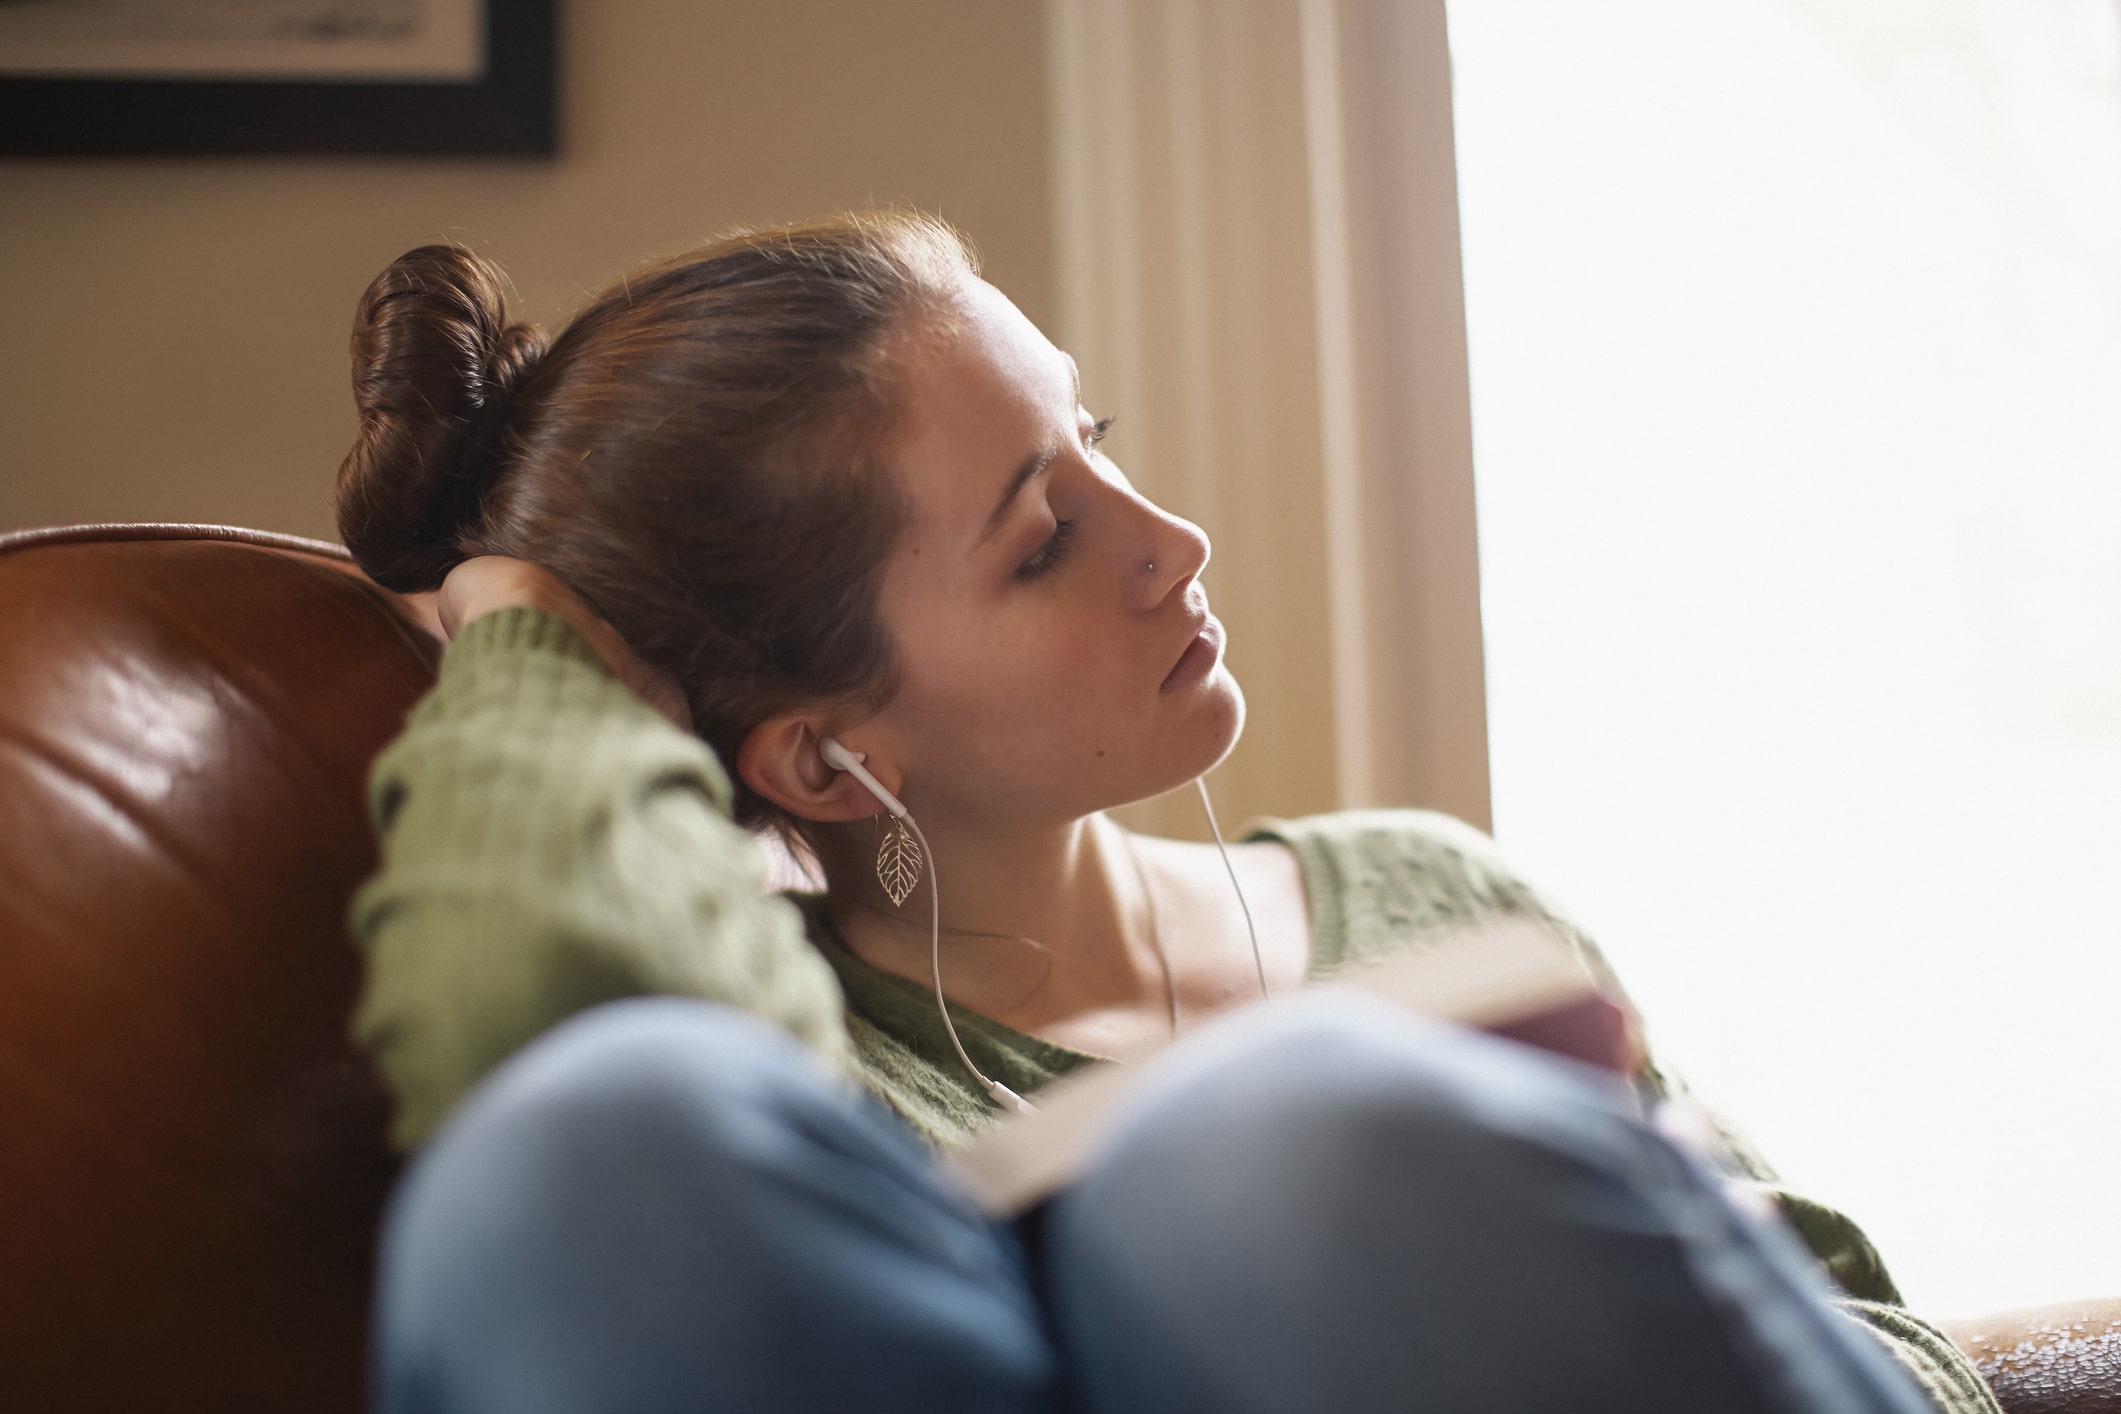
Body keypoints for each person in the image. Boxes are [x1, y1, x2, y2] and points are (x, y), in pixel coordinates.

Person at [339, 212, 1996, 1413]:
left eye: (1099, 444)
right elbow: (552, 1076)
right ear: (827, 757)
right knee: (599, 1141)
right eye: (1044, 538)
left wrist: (1674, 1235)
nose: (1172, 539)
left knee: (1275, 1140)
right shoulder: (787, 1077)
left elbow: (1914, 1368)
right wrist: (531, 652)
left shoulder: (1424, 895)